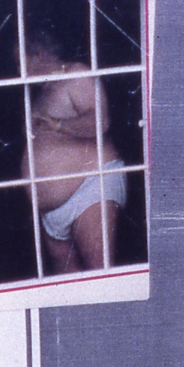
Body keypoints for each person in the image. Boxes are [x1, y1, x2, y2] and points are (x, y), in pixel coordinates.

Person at [20, 37, 126, 273]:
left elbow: (101, 121)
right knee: (68, 285)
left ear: (38, 55)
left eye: (20, 62)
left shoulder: (75, 74)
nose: (19, 71)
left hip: (89, 187)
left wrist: (58, 125)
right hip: (52, 209)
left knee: (98, 270)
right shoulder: (41, 92)